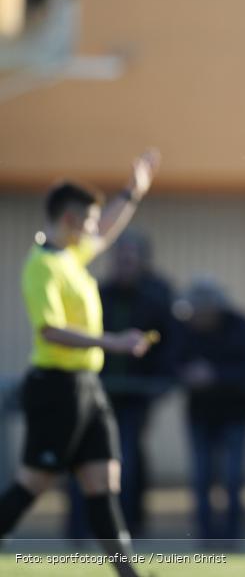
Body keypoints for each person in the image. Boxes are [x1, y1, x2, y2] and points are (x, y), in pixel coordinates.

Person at [0, 150, 159, 577]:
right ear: (70, 219)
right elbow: (49, 330)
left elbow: (107, 228)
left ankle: (129, 574)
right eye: (87, 220)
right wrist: (113, 342)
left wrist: (132, 193)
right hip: (56, 386)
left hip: (88, 387)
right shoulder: (43, 266)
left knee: (104, 482)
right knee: (33, 484)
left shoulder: (70, 256)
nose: (94, 229)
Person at [67, 231, 177, 539]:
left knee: (126, 461)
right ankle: (79, 530)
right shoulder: (97, 293)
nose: (124, 264)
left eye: (130, 258)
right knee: (84, 462)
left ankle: (129, 528)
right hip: (94, 393)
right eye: (119, 258)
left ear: (141, 262)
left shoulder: (156, 298)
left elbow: (170, 344)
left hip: (134, 397)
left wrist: (159, 382)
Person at [175, 279, 245, 542]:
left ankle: (232, 538)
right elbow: (170, 359)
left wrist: (215, 376)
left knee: (233, 479)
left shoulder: (242, 327)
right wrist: (185, 373)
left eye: (203, 311)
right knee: (201, 480)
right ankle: (205, 537)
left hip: (236, 415)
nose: (198, 317)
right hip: (200, 415)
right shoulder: (186, 329)